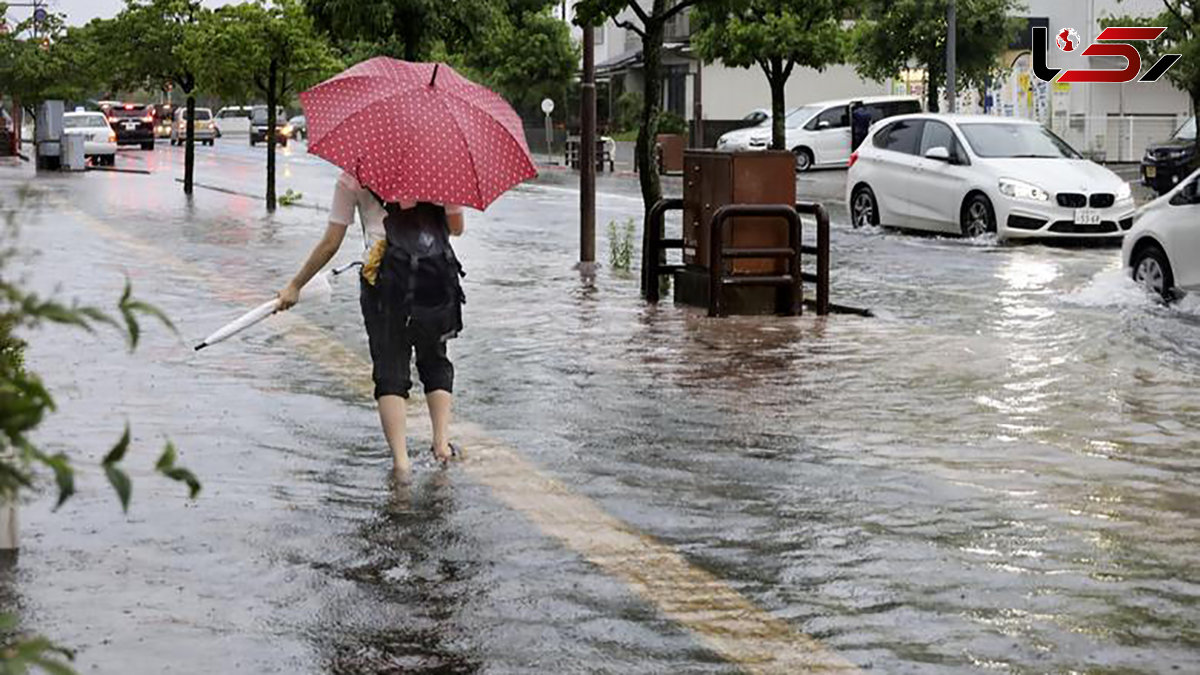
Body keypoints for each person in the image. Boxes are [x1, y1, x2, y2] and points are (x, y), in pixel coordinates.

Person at [277, 171, 465, 481]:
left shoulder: (353, 174)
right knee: (435, 358)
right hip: (434, 278)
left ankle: (402, 463)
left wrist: (295, 286)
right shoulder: (441, 165)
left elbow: (330, 243)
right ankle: (441, 444)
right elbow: (456, 229)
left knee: (390, 366)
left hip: (383, 281)